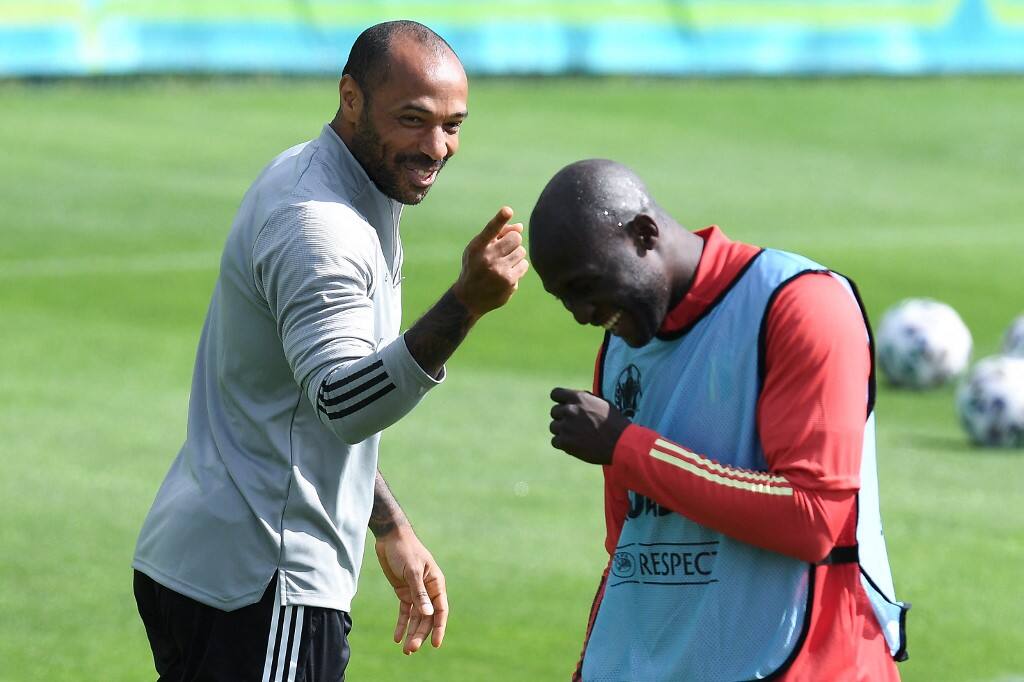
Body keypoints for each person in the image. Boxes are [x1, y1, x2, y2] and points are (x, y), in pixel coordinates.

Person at [132, 21, 529, 681]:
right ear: (351, 97)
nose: (437, 147)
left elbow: (303, 395)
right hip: (265, 582)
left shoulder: (322, 179)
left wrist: (389, 523)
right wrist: (466, 304)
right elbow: (343, 403)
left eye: (453, 125)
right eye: (413, 119)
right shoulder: (321, 225)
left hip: (212, 565)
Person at [530, 159, 908, 681]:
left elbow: (814, 516)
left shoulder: (799, 304)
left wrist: (627, 448)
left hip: (807, 664)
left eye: (586, 285)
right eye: (562, 298)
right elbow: (631, 549)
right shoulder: (621, 351)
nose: (580, 313)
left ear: (645, 235)